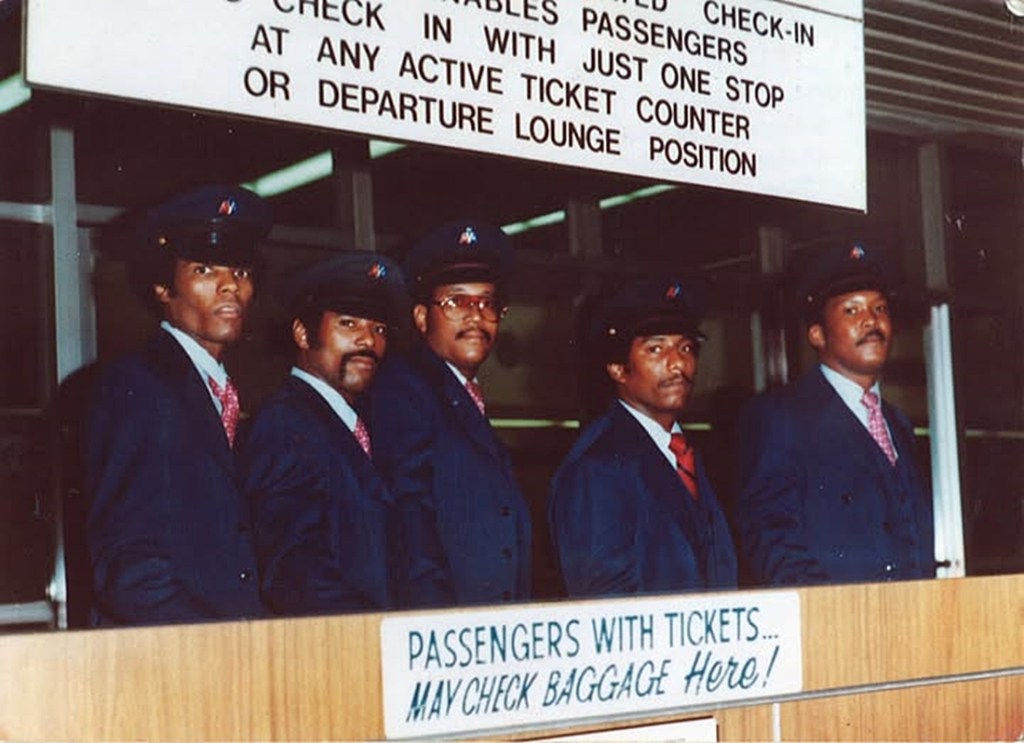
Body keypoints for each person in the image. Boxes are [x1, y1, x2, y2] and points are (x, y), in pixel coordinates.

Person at [84, 185, 271, 625]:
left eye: (241, 271)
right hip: (175, 660)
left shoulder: (224, 391)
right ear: (163, 288)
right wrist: (216, 648)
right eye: (205, 269)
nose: (230, 286)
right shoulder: (135, 384)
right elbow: (129, 568)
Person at [735, 242, 935, 585]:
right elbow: (773, 544)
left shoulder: (898, 424)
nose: (871, 320)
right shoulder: (779, 417)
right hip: (835, 629)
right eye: (852, 311)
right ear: (817, 334)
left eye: (880, 308)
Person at [369, 220, 531, 607]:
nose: (476, 316)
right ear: (423, 318)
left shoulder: (461, 394)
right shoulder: (403, 390)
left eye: (487, 302)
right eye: (457, 302)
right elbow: (410, 520)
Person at [548, 277, 738, 598]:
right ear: (618, 368)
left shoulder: (686, 454)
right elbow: (607, 608)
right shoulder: (599, 467)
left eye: (686, 347)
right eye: (656, 348)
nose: (678, 363)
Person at [240, 252, 405, 614]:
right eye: (348, 324)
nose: (367, 341)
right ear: (302, 333)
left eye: (378, 329)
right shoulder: (286, 424)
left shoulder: (360, 426)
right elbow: (295, 569)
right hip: (341, 650)